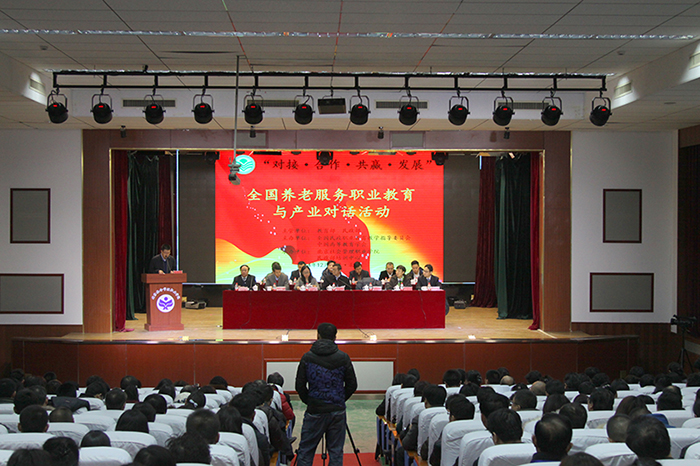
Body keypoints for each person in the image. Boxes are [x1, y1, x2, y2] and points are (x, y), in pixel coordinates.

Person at [295, 323, 358, 466]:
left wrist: (311, 401)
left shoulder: (307, 357)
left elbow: (299, 385)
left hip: (315, 410)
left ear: (318, 336)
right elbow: (352, 385)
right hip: (337, 410)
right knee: (336, 452)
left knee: (306, 450)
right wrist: (339, 398)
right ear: (335, 337)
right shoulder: (343, 357)